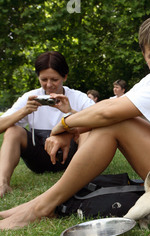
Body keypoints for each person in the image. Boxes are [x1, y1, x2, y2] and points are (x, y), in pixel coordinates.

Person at [0, 13, 150, 230]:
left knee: (115, 122)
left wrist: (62, 126)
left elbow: (108, 113)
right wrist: (70, 129)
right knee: (112, 119)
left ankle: (41, 207)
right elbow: (109, 105)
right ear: (144, 55)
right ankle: (42, 202)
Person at [0, 51, 94, 197]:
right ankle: (2, 183)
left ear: (65, 77)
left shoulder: (77, 97)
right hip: (38, 158)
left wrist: (70, 111)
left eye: (54, 79)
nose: (49, 85)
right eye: (44, 79)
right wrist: (24, 111)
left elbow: (98, 121)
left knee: (87, 131)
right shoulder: (30, 97)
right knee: (13, 130)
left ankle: (82, 179)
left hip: (71, 158)